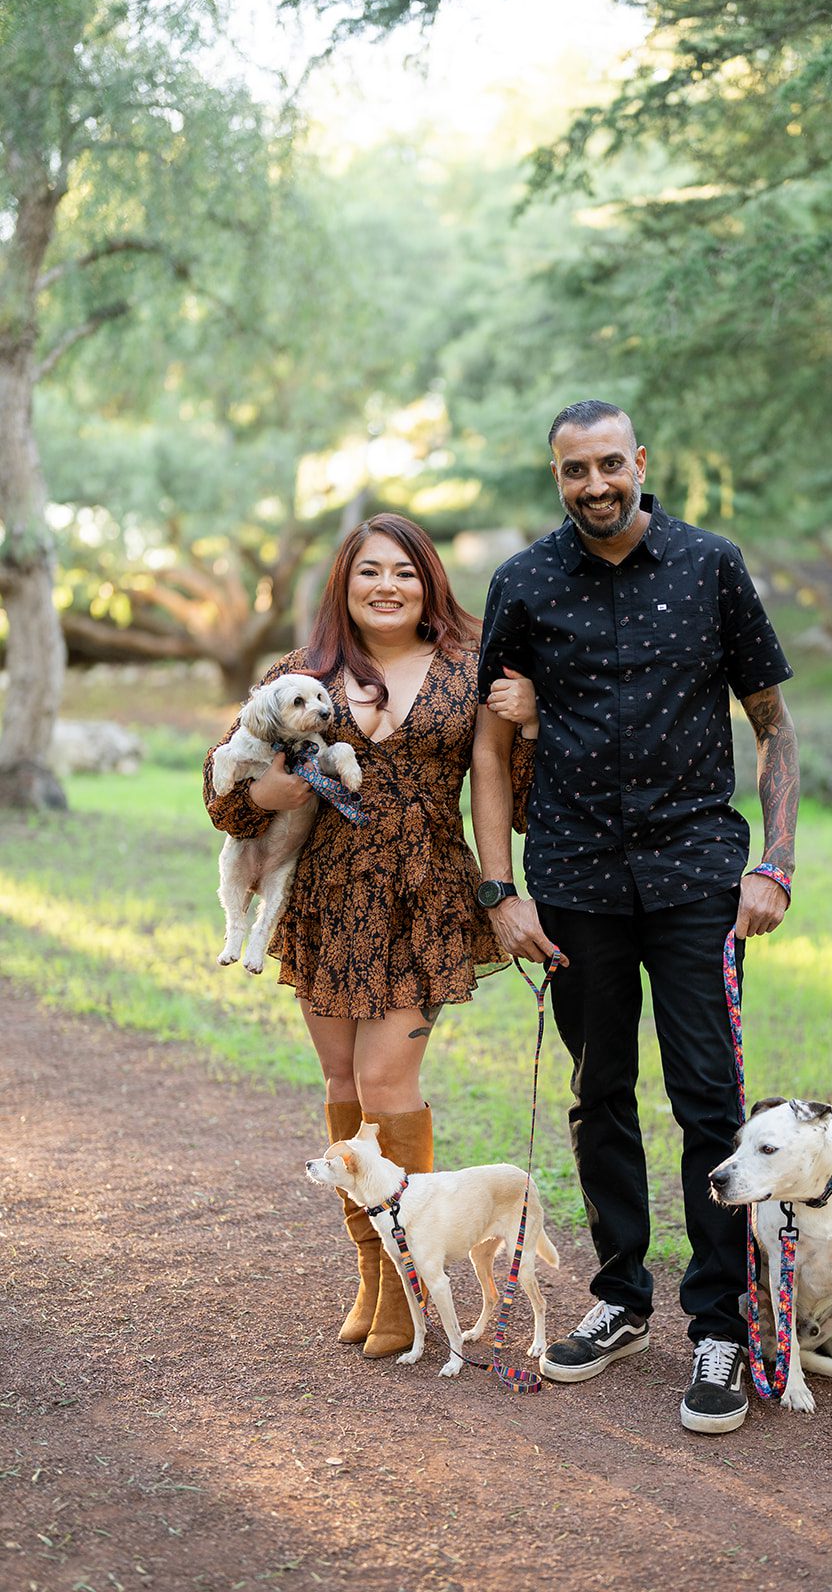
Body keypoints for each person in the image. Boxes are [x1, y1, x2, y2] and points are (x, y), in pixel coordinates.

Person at [471, 401, 798, 1435]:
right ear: (555, 476)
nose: (595, 484)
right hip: (572, 880)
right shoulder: (523, 581)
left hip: (697, 875)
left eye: (609, 463)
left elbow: (773, 724)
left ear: (640, 462)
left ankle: (718, 1327)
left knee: (709, 1102)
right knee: (597, 1091)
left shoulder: (710, 566)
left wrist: (775, 862)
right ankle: (618, 1298)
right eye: (574, 470)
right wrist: (499, 890)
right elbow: (489, 746)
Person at [204, 513, 537, 1358]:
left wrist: (531, 721)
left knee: (389, 1079)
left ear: (429, 582)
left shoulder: (471, 668)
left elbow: (511, 787)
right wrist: (265, 799)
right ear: (343, 585)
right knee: (341, 1080)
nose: (387, 586)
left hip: (425, 896)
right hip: (325, 897)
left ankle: (406, 1282)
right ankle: (371, 1268)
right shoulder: (302, 673)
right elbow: (223, 783)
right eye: (368, 572)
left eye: (404, 571)